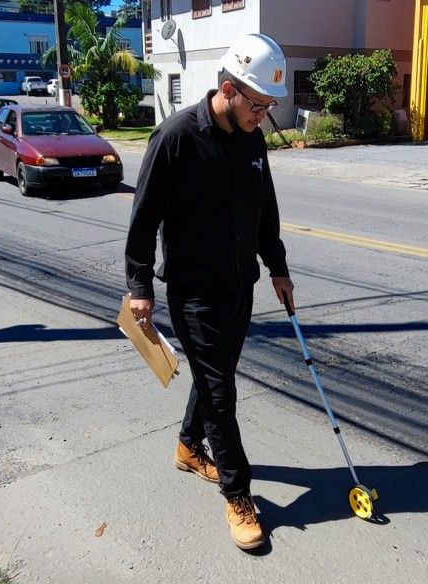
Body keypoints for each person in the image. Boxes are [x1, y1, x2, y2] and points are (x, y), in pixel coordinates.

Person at [124, 33, 295, 550]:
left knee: (212, 375)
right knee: (221, 393)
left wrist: (278, 268)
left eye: (269, 107)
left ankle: (186, 445)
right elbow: (144, 215)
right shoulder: (176, 137)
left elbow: (265, 211)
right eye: (258, 104)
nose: (263, 116)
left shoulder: (252, 139)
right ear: (228, 89)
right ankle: (238, 494)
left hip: (239, 286)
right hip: (194, 294)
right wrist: (138, 285)